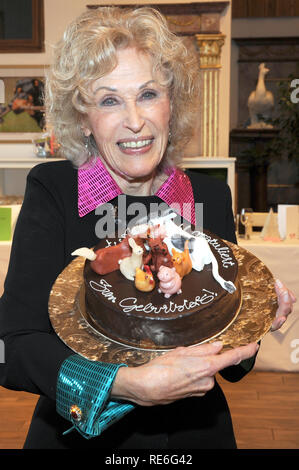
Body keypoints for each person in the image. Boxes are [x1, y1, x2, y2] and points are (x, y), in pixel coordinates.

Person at [0, 6, 295, 450]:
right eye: (109, 100)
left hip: (195, 436)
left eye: (149, 94)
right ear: (83, 118)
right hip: (80, 435)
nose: (135, 121)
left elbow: (235, 367)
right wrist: (123, 383)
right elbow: (15, 347)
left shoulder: (208, 198)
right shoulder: (56, 190)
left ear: (172, 103)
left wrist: (253, 318)